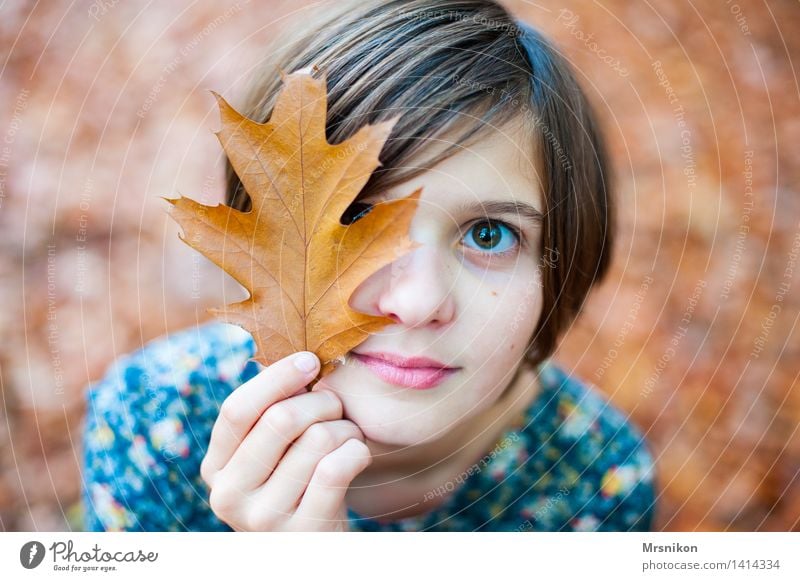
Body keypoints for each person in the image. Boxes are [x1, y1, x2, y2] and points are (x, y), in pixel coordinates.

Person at [80, 0, 657, 532]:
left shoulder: (595, 478)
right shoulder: (154, 423)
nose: (416, 301)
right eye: (355, 218)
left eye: (489, 233)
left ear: (559, 268)